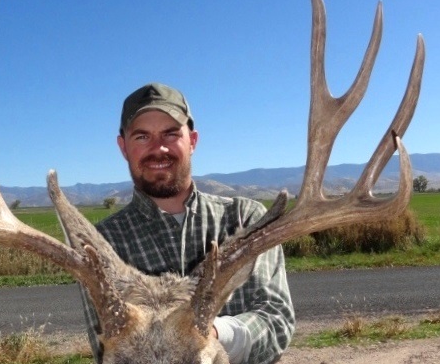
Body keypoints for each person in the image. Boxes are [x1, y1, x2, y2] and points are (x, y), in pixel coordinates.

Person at [80, 82, 295, 364]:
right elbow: (107, 347)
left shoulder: (246, 219)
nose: (158, 148)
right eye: (142, 136)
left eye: (170, 134)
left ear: (192, 140)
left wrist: (212, 333)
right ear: (123, 147)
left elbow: (275, 322)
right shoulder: (101, 244)